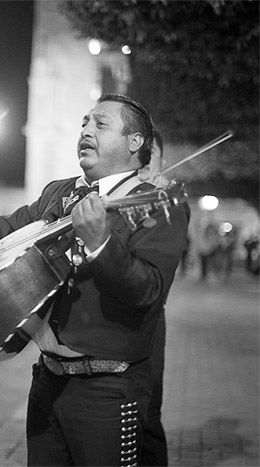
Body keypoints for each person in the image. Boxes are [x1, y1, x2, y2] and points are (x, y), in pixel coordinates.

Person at [0, 94, 189, 466]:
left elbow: (148, 291)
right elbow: (14, 224)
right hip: (47, 380)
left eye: (100, 125)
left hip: (109, 390)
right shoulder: (59, 192)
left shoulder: (156, 202)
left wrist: (101, 244)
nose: (86, 131)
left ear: (135, 142)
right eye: (84, 123)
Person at [137, 130, 171, 466]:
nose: (146, 161)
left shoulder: (167, 200)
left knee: (146, 416)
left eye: (153, 153)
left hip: (148, 323)